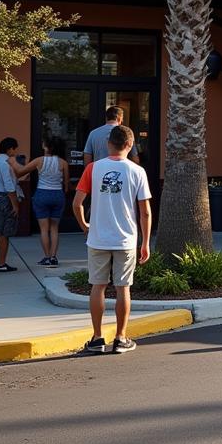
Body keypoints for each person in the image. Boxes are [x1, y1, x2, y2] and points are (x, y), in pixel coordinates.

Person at [71, 125, 151, 354]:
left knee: (98, 287)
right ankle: (120, 338)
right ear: (130, 145)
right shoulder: (138, 171)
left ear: (108, 144)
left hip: (98, 239)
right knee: (123, 288)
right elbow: (145, 211)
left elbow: (77, 204)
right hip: (126, 239)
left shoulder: (93, 168)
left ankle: (97, 338)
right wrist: (145, 242)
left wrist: (85, 225)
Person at [16, 136, 70, 267]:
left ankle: (47, 257)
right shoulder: (63, 163)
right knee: (54, 228)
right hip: (57, 194)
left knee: (44, 229)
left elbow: (20, 172)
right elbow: (66, 185)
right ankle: (53, 258)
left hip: (42, 194)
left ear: (47, 147)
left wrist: (13, 162)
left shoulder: (39, 161)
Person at [0, 137, 22, 275]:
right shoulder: (5, 163)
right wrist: (15, 205)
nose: (16, 151)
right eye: (15, 149)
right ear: (10, 149)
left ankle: (1, 263)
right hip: (4, 198)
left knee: (4, 233)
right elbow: (9, 187)